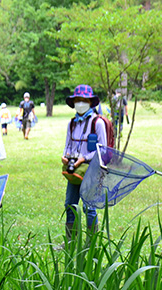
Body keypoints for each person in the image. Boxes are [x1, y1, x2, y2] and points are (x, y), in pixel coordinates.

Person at [61, 84, 107, 243]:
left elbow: (103, 149)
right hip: (74, 171)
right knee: (70, 204)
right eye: (77, 100)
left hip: (91, 170)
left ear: (90, 102)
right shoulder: (72, 123)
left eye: (84, 100)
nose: (80, 103)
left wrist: (84, 158)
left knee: (89, 207)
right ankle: (70, 241)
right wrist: (66, 157)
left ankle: (91, 243)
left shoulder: (97, 123)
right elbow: (68, 144)